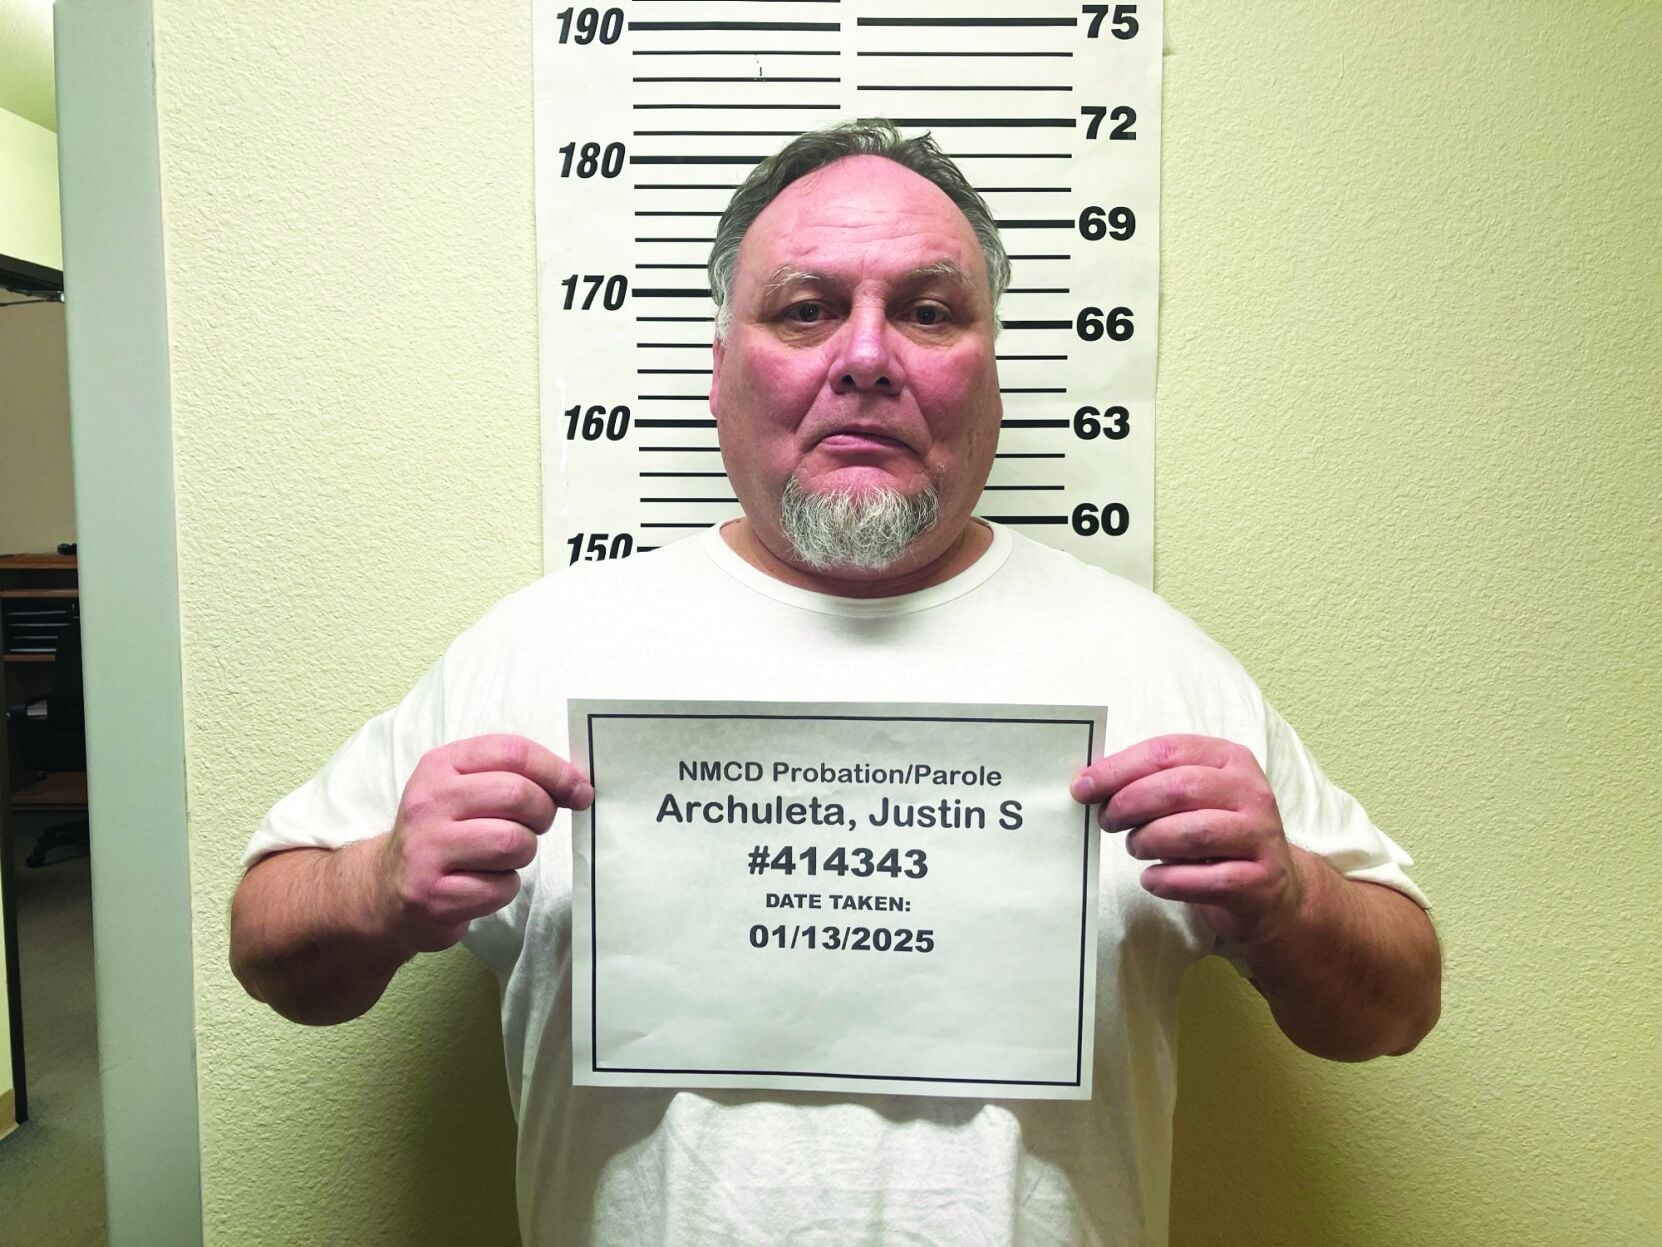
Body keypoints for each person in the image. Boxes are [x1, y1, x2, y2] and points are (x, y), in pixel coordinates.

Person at [231, 119, 1440, 1246]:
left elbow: (1398, 1002)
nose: (866, 357)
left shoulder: (1151, 663)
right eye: (806, 310)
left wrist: (1289, 900)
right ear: (721, 369)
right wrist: (379, 886)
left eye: (928, 312)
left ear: (992, 368)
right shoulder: (541, 648)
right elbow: (269, 942)